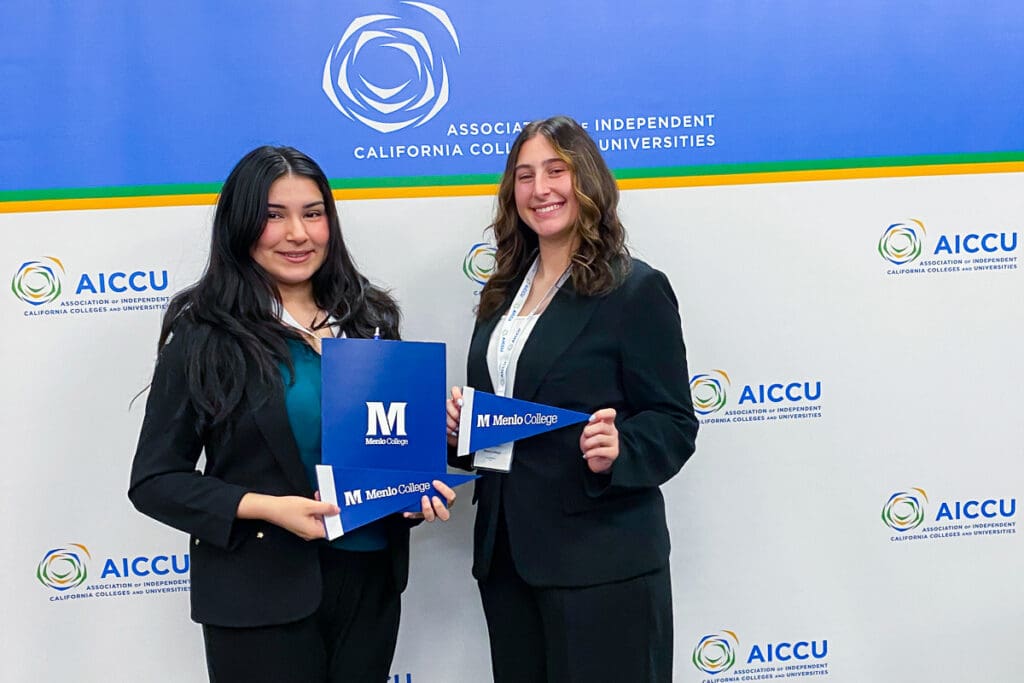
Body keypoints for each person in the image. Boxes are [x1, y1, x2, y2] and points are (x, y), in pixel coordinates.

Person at [129, 145, 455, 683]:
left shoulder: (369, 319)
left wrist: (418, 492)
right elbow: (155, 481)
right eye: (273, 215)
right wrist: (266, 507)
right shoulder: (205, 334)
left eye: (313, 213)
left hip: (369, 584)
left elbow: (389, 454)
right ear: (241, 225)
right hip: (259, 592)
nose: (298, 234)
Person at [446, 116, 698, 683]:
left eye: (556, 171)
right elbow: (507, 415)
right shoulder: (502, 292)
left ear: (587, 180)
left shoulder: (634, 289)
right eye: (525, 175)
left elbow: (675, 422)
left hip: (601, 564)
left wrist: (622, 445)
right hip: (507, 560)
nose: (541, 190)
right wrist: (461, 430)